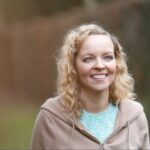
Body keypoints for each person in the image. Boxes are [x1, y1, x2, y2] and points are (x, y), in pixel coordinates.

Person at [31, 24, 150, 149]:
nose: (100, 65)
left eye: (107, 57)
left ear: (117, 63)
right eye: (88, 59)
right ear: (73, 66)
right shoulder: (50, 118)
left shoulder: (134, 115)